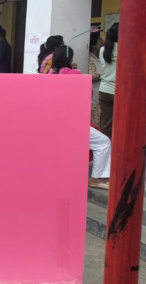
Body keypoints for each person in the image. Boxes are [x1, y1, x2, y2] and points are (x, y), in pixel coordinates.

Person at [48, 46, 111, 189]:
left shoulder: (51, 74)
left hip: (54, 121)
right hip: (73, 122)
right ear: (70, 59)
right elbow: (87, 95)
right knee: (103, 142)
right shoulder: (75, 74)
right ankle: (96, 178)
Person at [99, 23, 119, 138]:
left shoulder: (103, 50)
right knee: (121, 122)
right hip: (120, 91)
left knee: (106, 123)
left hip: (104, 90)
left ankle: (106, 145)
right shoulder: (126, 49)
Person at [88, 29, 103, 126]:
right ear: (93, 46)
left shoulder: (100, 57)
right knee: (96, 123)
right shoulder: (90, 59)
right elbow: (91, 76)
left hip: (99, 95)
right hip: (94, 98)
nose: (102, 43)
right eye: (99, 41)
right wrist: (106, 73)